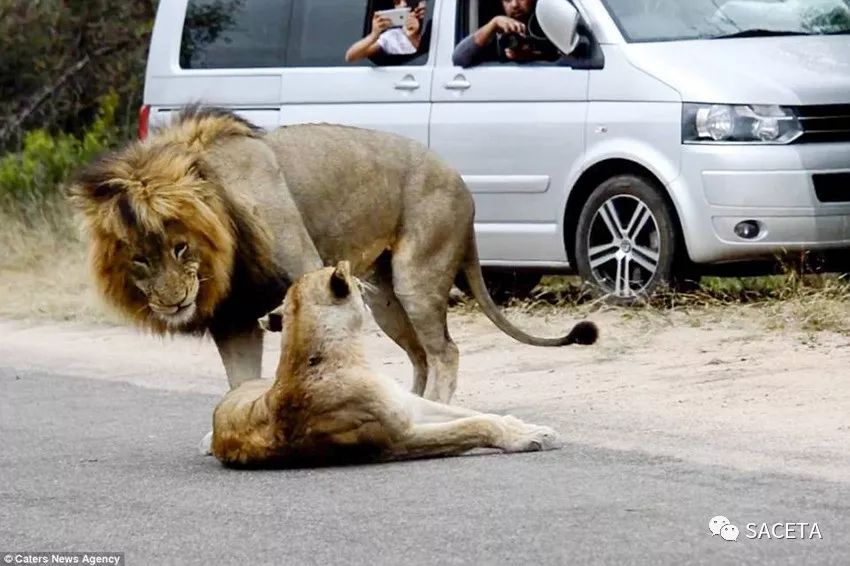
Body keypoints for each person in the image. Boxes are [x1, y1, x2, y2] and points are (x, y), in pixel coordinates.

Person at [452, 0, 560, 67]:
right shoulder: (498, 32)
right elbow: (459, 58)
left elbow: (568, 62)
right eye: (507, 0)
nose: (514, 4)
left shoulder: (551, 26)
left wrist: (533, 57)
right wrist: (494, 24)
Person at [345, 1, 428, 62]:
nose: (404, 5)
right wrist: (373, 35)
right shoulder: (393, 36)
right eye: (397, 2)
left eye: (409, 0)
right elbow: (351, 57)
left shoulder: (433, 29)